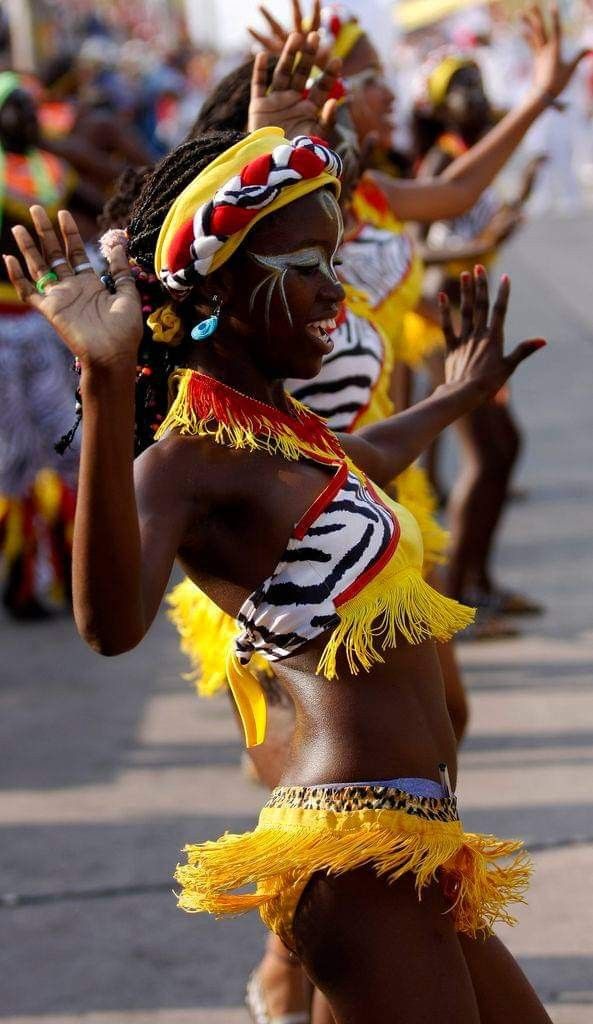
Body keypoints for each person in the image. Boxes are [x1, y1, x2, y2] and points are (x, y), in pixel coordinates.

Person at [7, 111, 555, 1021]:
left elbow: (370, 452)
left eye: (331, 265)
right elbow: (109, 627)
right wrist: (104, 383)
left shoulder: (282, 435)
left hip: (408, 846)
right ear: (216, 288)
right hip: (354, 854)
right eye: (304, 269)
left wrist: (458, 390)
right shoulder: (186, 458)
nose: (332, 292)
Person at [414, 51, 545, 622]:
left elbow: (476, 234)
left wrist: (511, 210)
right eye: (458, 83)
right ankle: (463, 594)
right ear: (441, 106)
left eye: (475, 78)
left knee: (501, 450)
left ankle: (479, 581)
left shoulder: (470, 159)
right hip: (445, 331)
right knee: (489, 452)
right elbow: (415, 250)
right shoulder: (441, 163)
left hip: (474, 323)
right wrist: (477, 245)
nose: (473, 89)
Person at [0, 71, 97, 617]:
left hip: (42, 325)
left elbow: (96, 196)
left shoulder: (51, 170)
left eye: (29, 108)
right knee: (13, 459)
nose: (24, 119)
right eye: (12, 109)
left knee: (68, 444)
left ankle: (70, 573)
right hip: (0, 330)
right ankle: (20, 585)